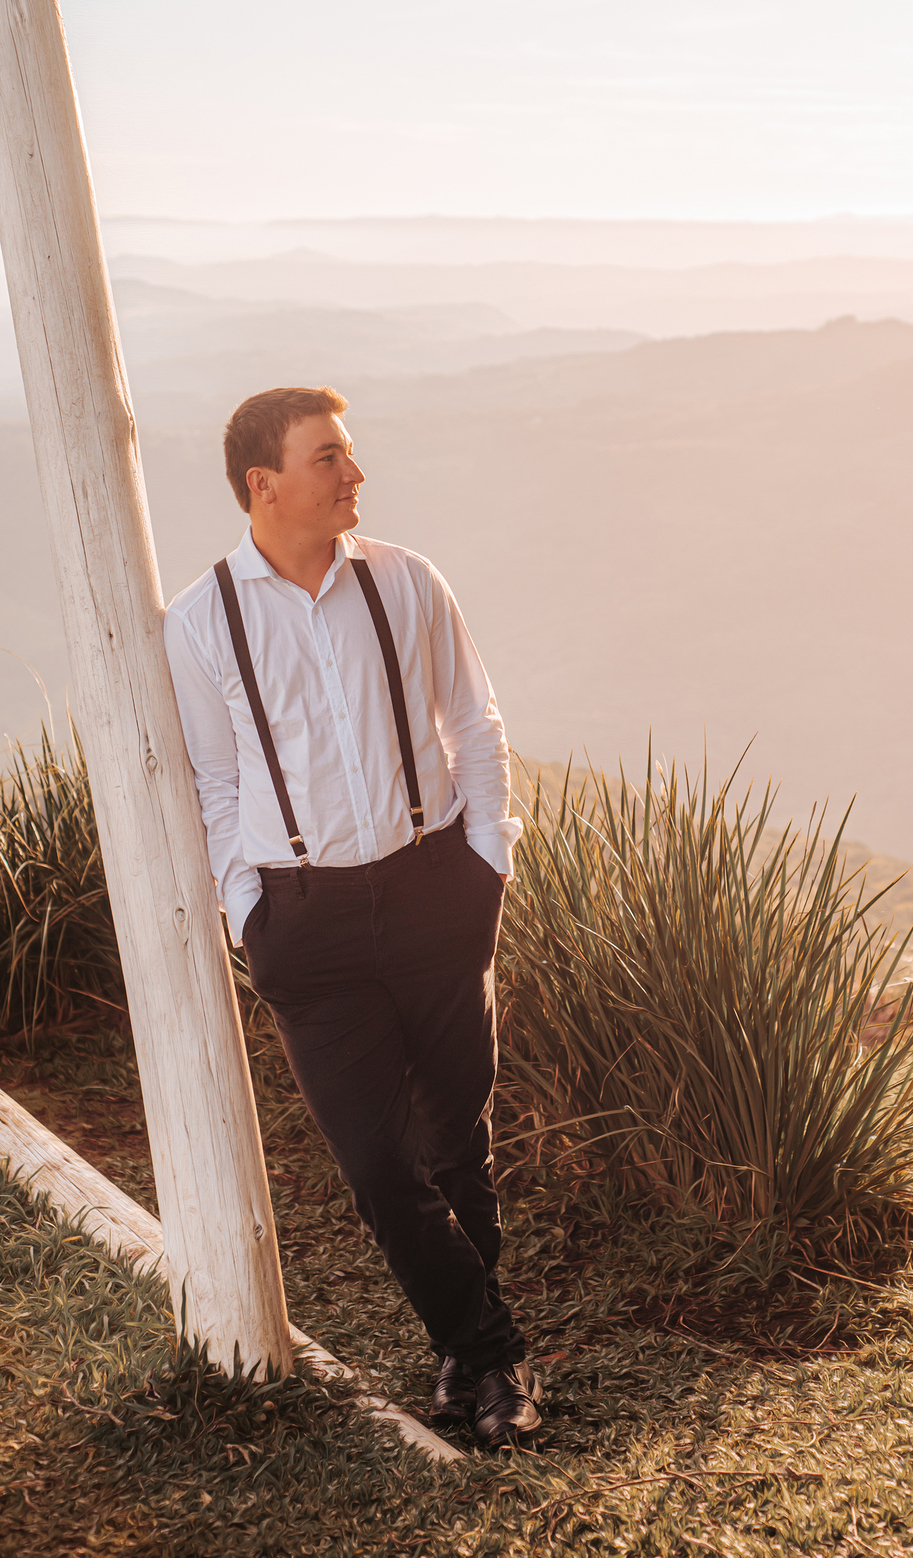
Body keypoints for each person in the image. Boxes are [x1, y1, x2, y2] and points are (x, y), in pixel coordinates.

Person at [163, 384, 540, 1447]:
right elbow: (214, 787)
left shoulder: (408, 581)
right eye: (329, 456)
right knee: (379, 1166)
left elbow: (474, 719)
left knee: (455, 1142)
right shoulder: (202, 622)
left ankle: (472, 1351)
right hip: (306, 925)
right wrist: (250, 913)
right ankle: (492, 1347)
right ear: (263, 483)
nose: (353, 474)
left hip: (434, 888)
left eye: (351, 454)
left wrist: (487, 861)